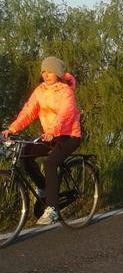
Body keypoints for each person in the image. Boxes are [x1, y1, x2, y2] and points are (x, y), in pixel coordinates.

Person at [1, 56, 82, 225]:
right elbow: (29, 111)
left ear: (58, 74)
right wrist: (12, 129)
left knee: (50, 164)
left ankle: (52, 209)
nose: (46, 74)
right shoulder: (40, 91)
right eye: (44, 71)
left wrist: (53, 131)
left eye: (50, 71)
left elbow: (65, 115)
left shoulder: (66, 92)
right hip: (49, 136)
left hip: (69, 136)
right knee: (26, 154)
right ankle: (45, 189)